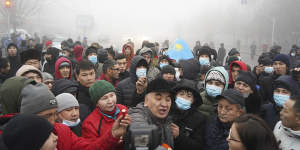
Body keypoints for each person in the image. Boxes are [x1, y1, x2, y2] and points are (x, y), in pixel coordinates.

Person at [19, 83, 131, 150]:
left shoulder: (62, 131)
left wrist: (112, 135)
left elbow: (90, 148)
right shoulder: (13, 140)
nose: (53, 120)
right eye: (47, 116)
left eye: (54, 114)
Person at [126, 78, 174, 148]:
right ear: (146, 100)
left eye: (168, 99)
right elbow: (141, 141)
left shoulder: (169, 119)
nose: (164, 104)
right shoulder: (137, 114)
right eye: (158, 98)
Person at [82, 80, 130, 150]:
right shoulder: (89, 124)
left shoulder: (123, 109)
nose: (110, 101)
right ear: (96, 103)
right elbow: (92, 147)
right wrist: (113, 141)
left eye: (112, 95)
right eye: (104, 98)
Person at [170, 79, 206, 150]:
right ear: (175, 96)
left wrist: (179, 136)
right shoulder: (166, 112)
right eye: (181, 94)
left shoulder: (199, 119)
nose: (184, 98)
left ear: (193, 100)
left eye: (189, 96)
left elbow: (198, 146)